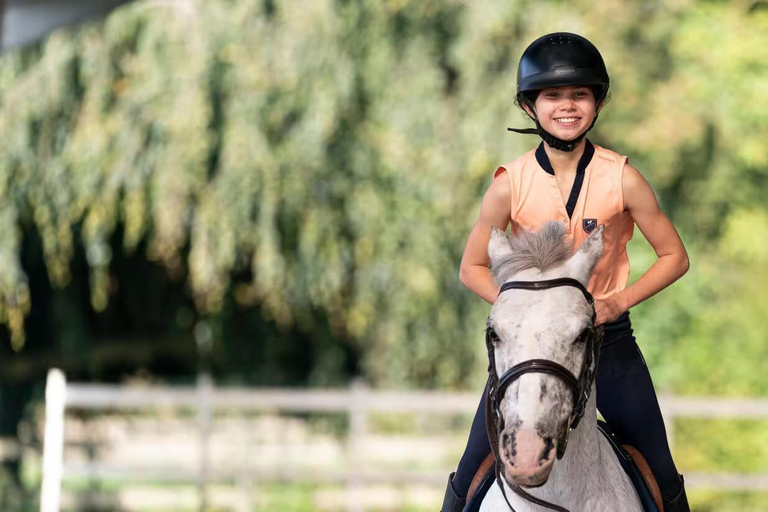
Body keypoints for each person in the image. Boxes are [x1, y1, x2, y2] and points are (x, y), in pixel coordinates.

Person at [441, 33, 691, 512]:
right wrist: (522, 312)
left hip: (608, 339)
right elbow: (471, 267)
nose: (567, 106)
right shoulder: (508, 185)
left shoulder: (624, 178)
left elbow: (674, 257)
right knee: (469, 473)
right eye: (552, 95)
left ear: (597, 102)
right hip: (530, 346)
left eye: (580, 94)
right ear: (529, 106)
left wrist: (617, 302)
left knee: (661, 470)